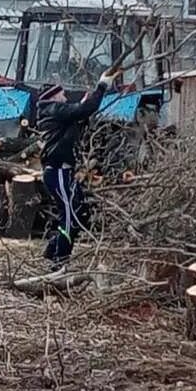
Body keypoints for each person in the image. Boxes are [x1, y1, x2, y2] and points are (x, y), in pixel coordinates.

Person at [37, 71, 119, 270]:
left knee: (80, 212)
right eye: (62, 95)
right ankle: (60, 261)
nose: (65, 98)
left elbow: (79, 116)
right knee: (69, 216)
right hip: (57, 172)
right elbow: (81, 111)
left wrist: (86, 103)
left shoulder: (57, 113)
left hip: (64, 172)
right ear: (54, 97)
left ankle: (52, 250)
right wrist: (101, 88)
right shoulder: (53, 109)